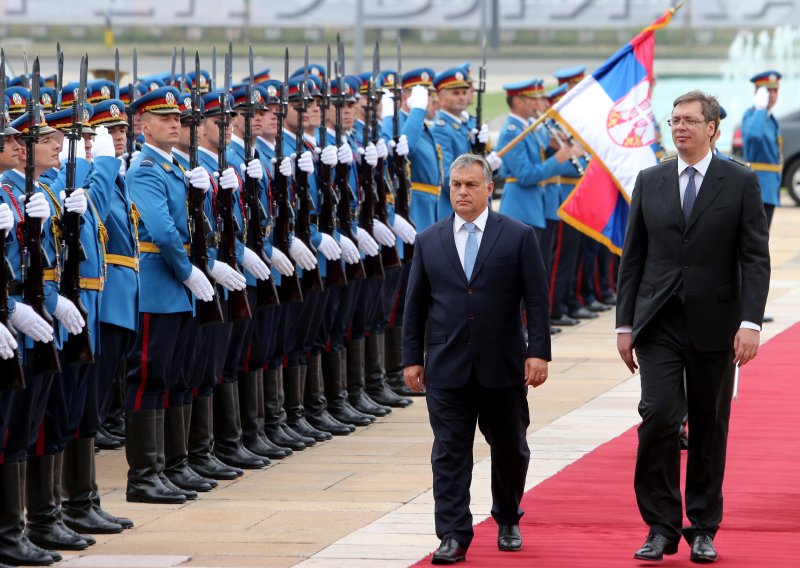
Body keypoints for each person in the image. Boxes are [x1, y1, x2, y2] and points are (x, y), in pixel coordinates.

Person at [616, 91, 770, 563]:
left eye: (689, 120)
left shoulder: (740, 181)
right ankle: (660, 525)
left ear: (713, 129)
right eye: (674, 120)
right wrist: (624, 324)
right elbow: (633, 257)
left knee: (708, 424)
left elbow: (753, 256)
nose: (679, 127)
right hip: (659, 319)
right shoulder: (651, 179)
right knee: (660, 416)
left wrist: (750, 321)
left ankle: (702, 525)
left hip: (716, 322)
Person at [403, 153, 551, 563]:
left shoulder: (518, 235)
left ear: (490, 187)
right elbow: (415, 306)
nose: (462, 192)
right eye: (455, 185)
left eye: (471, 184)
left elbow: (537, 300)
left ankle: (507, 516)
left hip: (502, 365)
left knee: (510, 448)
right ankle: (452, 533)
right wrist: (411, 358)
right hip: (448, 367)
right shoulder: (429, 239)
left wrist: (538, 352)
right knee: (449, 452)